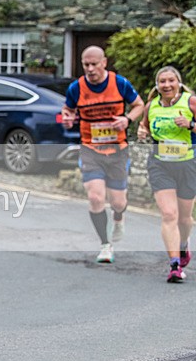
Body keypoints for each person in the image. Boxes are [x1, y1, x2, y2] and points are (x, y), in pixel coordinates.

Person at [61, 46, 145, 263]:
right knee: (95, 197)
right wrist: (68, 117)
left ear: (104, 63)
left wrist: (127, 120)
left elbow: (139, 105)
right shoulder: (76, 88)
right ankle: (105, 244)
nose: (89, 69)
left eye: (94, 64)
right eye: (85, 65)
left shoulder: (119, 83)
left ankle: (119, 217)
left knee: (118, 202)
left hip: (117, 150)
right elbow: (68, 109)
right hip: (90, 149)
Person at [137, 66, 196, 283]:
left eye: (171, 80)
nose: (167, 85)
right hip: (160, 165)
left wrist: (190, 124)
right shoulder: (150, 106)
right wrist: (142, 132)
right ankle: (174, 265)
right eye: (162, 81)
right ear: (157, 84)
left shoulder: (190, 102)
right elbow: (144, 129)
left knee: (185, 218)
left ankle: (183, 244)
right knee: (169, 214)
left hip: (188, 164)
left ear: (178, 83)